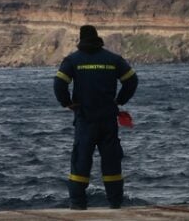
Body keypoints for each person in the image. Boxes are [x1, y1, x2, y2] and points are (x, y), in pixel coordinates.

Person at [53, 25, 138, 210]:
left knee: (81, 161)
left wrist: (67, 103)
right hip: (108, 119)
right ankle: (115, 203)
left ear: (81, 38)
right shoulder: (113, 59)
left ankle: (78, 204)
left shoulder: (73, 60)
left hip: (85, 119)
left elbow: (59, 84)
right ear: (97, 37)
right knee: (111, 162)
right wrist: (120, 100)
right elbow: (131, 80)